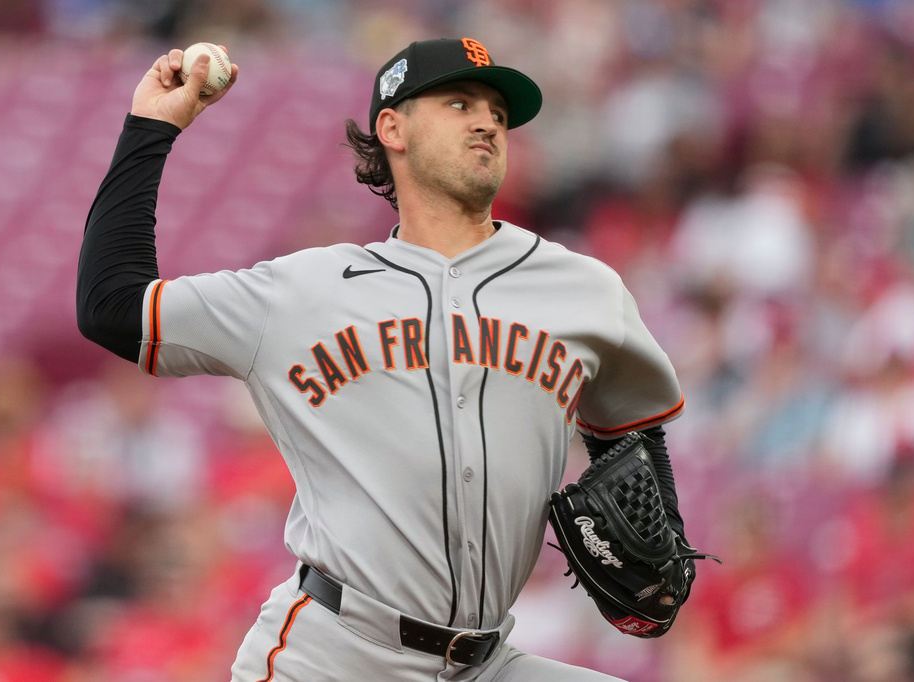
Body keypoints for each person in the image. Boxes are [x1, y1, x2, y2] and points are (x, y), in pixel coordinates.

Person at [78, 36, 691, 682]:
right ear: (392, 128)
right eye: (460, 103)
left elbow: (633, 432)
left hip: (486, 661)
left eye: (499, 113)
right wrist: (152, 125)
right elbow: (113, 306)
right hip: (335, 655)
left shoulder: (583, 290)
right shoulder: (303, 291)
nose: (488, 121)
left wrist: (658, 545)